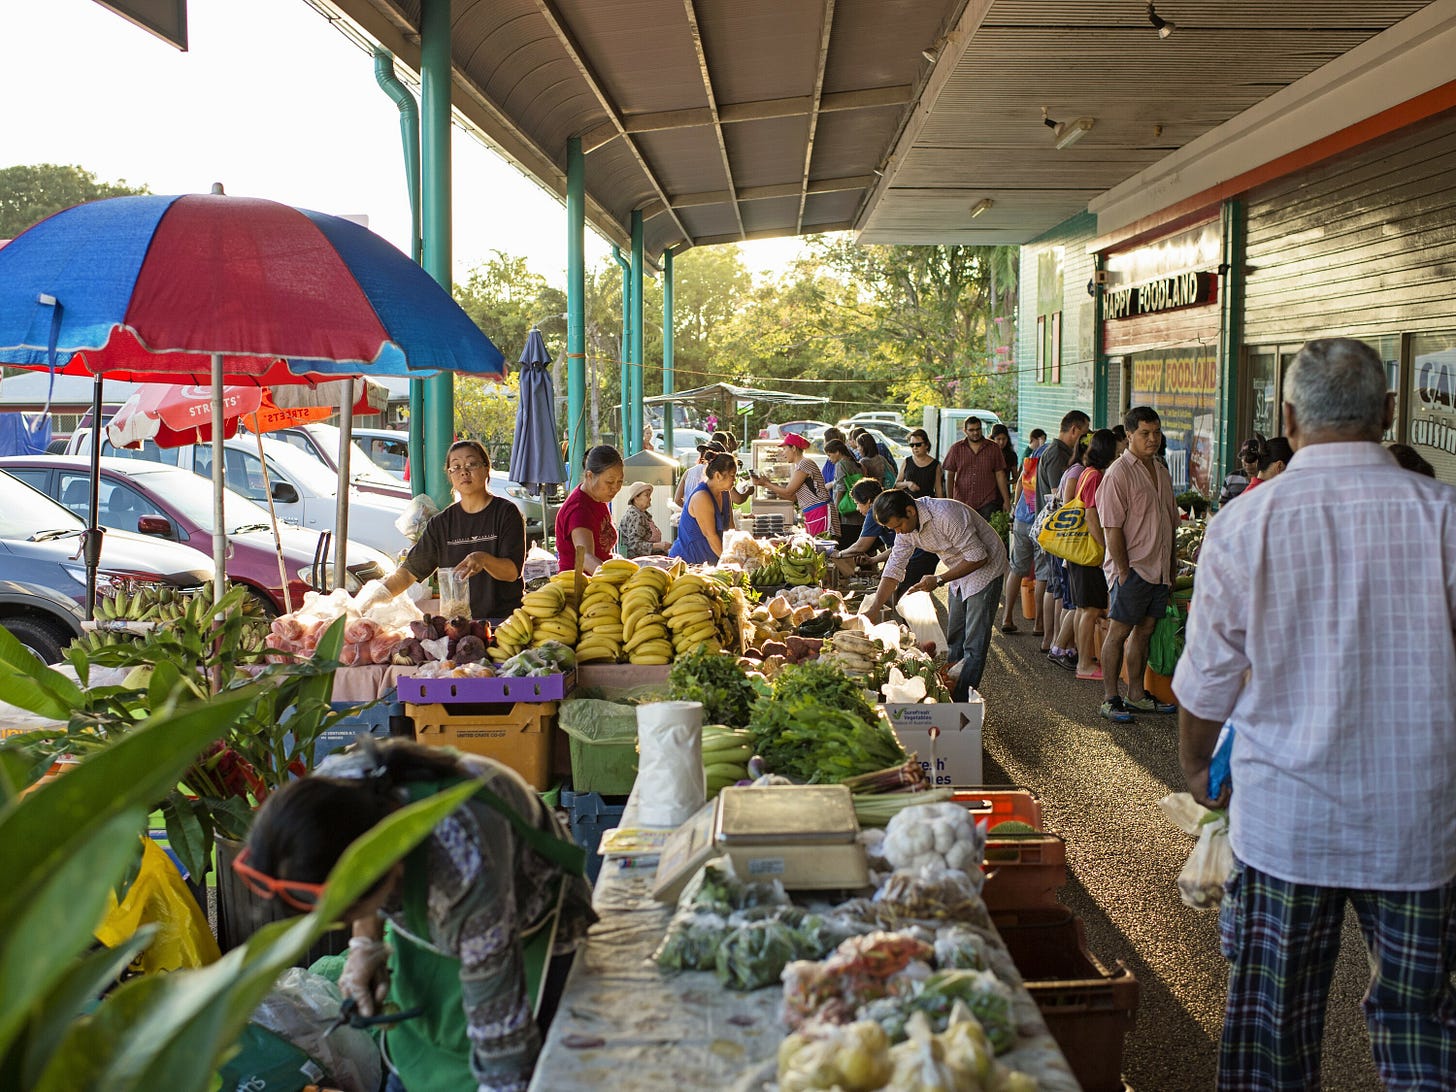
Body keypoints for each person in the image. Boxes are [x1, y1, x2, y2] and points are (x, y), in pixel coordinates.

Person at [1173, 337, 1456, 1091]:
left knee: (1272, 1030)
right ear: (1389, 412)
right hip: (1420, 827)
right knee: (1423, 1029)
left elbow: (1205, 684)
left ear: (1288, 418)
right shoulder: (1446, 517)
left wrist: (1197, 763)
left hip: (1286, 826)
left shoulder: (1245, 523)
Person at [237, 739, 595, 1092]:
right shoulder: (331, 798)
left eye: (349, 913)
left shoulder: (465, 862)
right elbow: (355, 863)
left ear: (387, 868)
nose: (345, 924)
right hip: (446, 918)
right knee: (418, 1051)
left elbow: (502, 1045)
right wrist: (365, 946)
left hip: (532, 928)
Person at [861, 489, 1007, 702]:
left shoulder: (946, 514)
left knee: (974, 643)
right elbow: (894, 567)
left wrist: (939, 580)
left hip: (985, 567)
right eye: (894, 530)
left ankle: (960, 702)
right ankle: (950, 686)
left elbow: (978, 557)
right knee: (955, 636)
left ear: (910, 511)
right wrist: (874, 608)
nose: (899, 532)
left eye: (898, 526)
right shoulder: (905, 529)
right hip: (957, 568)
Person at [372, 440, 524, 621]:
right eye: (456, 467)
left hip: (503, 621)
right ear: (450, 475)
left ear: (486, 468)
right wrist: (373, 600)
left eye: (471, 464)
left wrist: (483, 559)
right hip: (457, 624)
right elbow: (408, 573)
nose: (464, 472)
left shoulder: (506, 513)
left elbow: (512, 572)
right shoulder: (441, 523)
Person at [1097, 406, 1179, 723]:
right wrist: (1123, 571)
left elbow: (1170, 523)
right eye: (1145, 433)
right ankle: (1110, 699)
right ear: (1129, 434)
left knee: (1144, 631)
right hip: (1131, 569)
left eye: (1156, 432)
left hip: (1158, 568)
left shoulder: (1160, 469)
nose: (1152, 438)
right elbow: (1112, 528)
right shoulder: (1118, 473)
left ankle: (1136, 696)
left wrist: (1170, 569)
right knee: (1118, 632)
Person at [1035, 412, 1091, 644]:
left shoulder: (1055, 452)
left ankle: (1052, 639)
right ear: (1075, 430)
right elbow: (1061, 497)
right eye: (1086, 432)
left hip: (1052, 531)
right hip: (1057, 532)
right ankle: (1053, 640)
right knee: (1056, 587)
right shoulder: (1058, 455)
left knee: (1053, 584)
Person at [1066, 429, 1116, 680]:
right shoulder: (1095, 476)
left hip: (1077, 552)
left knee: (1083, 608)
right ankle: (1084, 664)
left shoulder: (1086, 472)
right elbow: (1091, 515)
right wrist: (1106, 549)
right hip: (1088, 552)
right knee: (1092, 610)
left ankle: (1082, 658)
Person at [751, 432, 838, 537]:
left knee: (823, 546)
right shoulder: (800, 465)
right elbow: (792, 497)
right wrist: (766, 485)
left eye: (784, 449)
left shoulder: (804, 463)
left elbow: (789, 491)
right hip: (814, 512)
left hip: (820, 511)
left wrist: (766, 483)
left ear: (793, 448)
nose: (783, 453)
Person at [554, 445, 624, 574]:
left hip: (599, 580)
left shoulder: (598, 498)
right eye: (609, 482)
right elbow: (585, 558)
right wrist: (615, 578)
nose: (615, 488)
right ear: (589, 476)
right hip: (580, 586)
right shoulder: (579, 510)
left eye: (620, 481)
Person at [670, 452, 738, 564]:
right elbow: (711, 536)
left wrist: (739, 551)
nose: (734, 479)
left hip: (710, 561)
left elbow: (730, 529)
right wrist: (730, 563)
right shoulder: (702, 497)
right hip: (688, 561)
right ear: (718, 476)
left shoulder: (725, 493)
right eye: (732, 475)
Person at [942, 416, 1011, 520]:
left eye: (978, 429)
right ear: (965, 431)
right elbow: (950, 475)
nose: (975, 433)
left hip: (987, 502)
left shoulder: (993, 448)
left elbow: (1000, 474)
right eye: (971, 430)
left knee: (986, 535)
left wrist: (1006, 500)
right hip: (962, 502)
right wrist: (950, 501)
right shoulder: (956, 449)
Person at [823, 438, 865, 549]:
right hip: (859, 511)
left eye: (829, 455)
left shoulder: (840, 465)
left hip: (846, 513)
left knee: (845, 549)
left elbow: (840, 488)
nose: (829, 459)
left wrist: (835, 511)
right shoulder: (856, 464)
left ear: (837, 452)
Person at [617, 481, 669, 558]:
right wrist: (658, 545)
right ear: (636, 498)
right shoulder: (635, 516)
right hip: (637, 560)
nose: (650, 498)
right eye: (646, 495)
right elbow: (634, 545)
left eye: (649, 495)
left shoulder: (643, 515)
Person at [674, 440, 725, 508]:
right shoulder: (718, 475)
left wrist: (688, 509)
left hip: (689, 516)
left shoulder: (688, 472)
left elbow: (677, 500)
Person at [894, 429, 943, 498]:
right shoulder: (907, 461)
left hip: (927, 503)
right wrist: (908, 484)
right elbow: (897, 485)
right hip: (909, 503)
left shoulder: (935, 465)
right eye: (912, 445)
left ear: (926, 445)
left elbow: (938, 489)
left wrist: (941, 505)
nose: (915, 448)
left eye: (918, 445)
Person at [1218, 437, 1262, 505]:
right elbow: (1222, 502)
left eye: (1251, 459)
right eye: (1244, 458)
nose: (1247, 463)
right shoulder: (1231, 478)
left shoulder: (1266, 478)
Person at [989, 423, 1017, 487]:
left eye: (1004, 439)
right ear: (993, 439)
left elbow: (1015, 477)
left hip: (1004, 492)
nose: (1001, 442)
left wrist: (1005, 483)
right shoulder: (986, 454)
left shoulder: (1011, 455)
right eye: (998, 439)